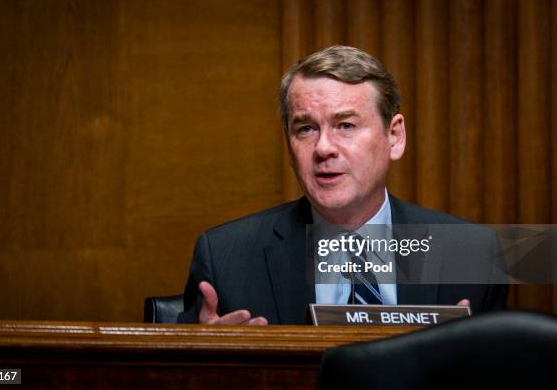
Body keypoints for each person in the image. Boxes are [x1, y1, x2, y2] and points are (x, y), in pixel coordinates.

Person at [178, 45, 508, 325]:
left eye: (345, 125)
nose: (323, 148)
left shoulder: (472, 253)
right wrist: (208, 362)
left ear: (394, 137)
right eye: (305, 129)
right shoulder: (224, 258)